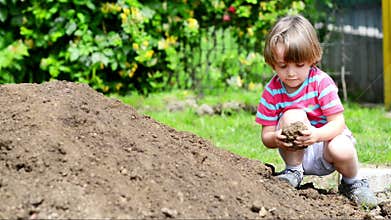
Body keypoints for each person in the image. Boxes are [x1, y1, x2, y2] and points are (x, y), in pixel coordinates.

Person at [255, 14, 378, 208]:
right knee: (292, 114)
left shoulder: (321, 82)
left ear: (312, 59)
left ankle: (353, 183)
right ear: (272, 63)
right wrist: (276, 138)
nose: (291, 72)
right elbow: (266, 136)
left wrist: (317, 134)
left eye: (299, 64)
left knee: (342, 147)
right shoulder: (272, 91)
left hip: (326, 143)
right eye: (283, 66)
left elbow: (338, 124)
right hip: (295, 150)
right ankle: (293, 172)